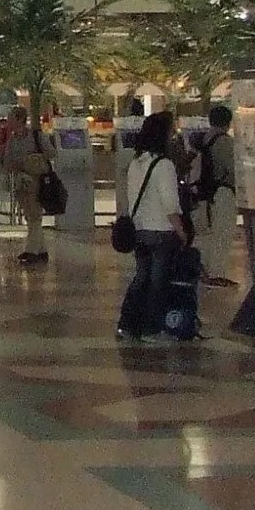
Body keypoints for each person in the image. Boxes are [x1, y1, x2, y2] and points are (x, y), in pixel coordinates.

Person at [116, 110, 189, 340]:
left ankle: (127, 324)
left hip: (140, 231)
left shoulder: (136, 163)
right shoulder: (164, 165)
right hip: (161, 233)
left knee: (141, 278)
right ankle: (152, 328)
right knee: (158, 284)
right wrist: (182, 232)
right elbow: (170, 205)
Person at [193, 104, 240, 288]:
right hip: (222, 192)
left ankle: (204, 271)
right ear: (228, 122)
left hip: (204, 195)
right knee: (223, 233)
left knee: (207, 235)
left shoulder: (202, 139)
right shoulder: (225, 142)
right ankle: (216, 274)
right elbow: (232, 169)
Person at [1, 106, 55, 264]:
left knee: (34, 216)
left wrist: (34, 160)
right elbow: (8, 160)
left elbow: (51, 152)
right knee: (30, 216)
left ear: (19, 119)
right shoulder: (13, 139)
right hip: (21, 181)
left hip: (36, 180)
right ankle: (41, 250)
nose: (8, 121)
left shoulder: (36, 136)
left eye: (11, 118)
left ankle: (32, 250)